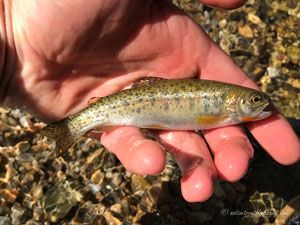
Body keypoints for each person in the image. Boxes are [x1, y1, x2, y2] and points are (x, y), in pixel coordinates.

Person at [1, 0, 299, 202]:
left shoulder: (228, 103)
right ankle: (70, 128)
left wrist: (13, 49)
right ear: (235, 102)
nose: (260, 104)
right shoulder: (222, 109)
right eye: (255, 100)